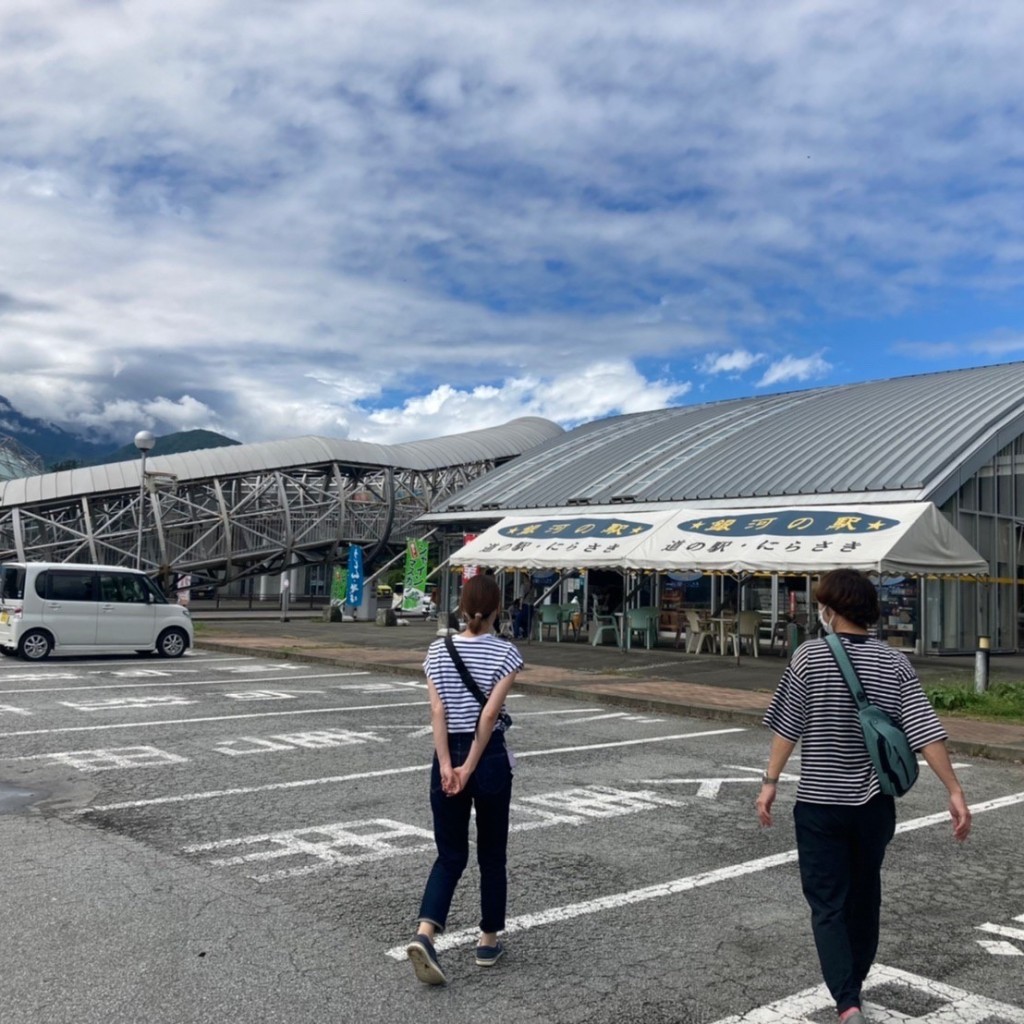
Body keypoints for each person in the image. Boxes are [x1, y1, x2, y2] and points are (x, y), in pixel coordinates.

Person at [756, 568, 971, 1024]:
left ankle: (847, 1001)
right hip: (874, 806)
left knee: (828, 904)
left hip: (819, 804)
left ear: (830, 609)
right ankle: (856, 980)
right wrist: (954, 790)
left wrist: (770, 781)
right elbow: (923, 729)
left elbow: (786, 726)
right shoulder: (895, 663)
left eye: (821, 604)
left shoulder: (808, 657)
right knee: (865, 894)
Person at [406, 574, 524, 985]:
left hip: (446, 755)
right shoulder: (507, 654)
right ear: (496, 610)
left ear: (461, 608)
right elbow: (489, 716)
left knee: (449, 854)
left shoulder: (438, 650)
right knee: (492, 853)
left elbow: (437, 713)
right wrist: (471, 765)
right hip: (486, 757)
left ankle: (425, 934)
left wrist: (446, 765)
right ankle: (487, 942)